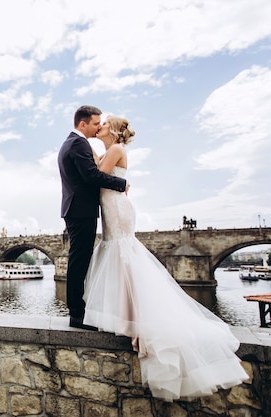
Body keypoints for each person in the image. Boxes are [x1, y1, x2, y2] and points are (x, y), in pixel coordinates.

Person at [83, 114, 248, 401]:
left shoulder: (116, 150)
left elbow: (94, 176)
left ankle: (135, 319)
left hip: (118, 210)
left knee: (123, 255)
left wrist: (91, 153)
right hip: (111, 209)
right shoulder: (110, 150)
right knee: (116, 255)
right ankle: (126, 316)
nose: (101, 126)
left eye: (106, 123)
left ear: (116, 130)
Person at [58, 105, 128, 330]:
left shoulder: (74, 142)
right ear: (82, 124)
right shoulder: (78, 143)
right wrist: (122, 183)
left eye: (102, 124)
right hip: (81, 210)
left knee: (81, 259)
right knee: (79, 261)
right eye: (96, 123)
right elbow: (90, 176)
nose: (99, 127)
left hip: (77, 209)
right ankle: (77, 315)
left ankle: (80, 311)